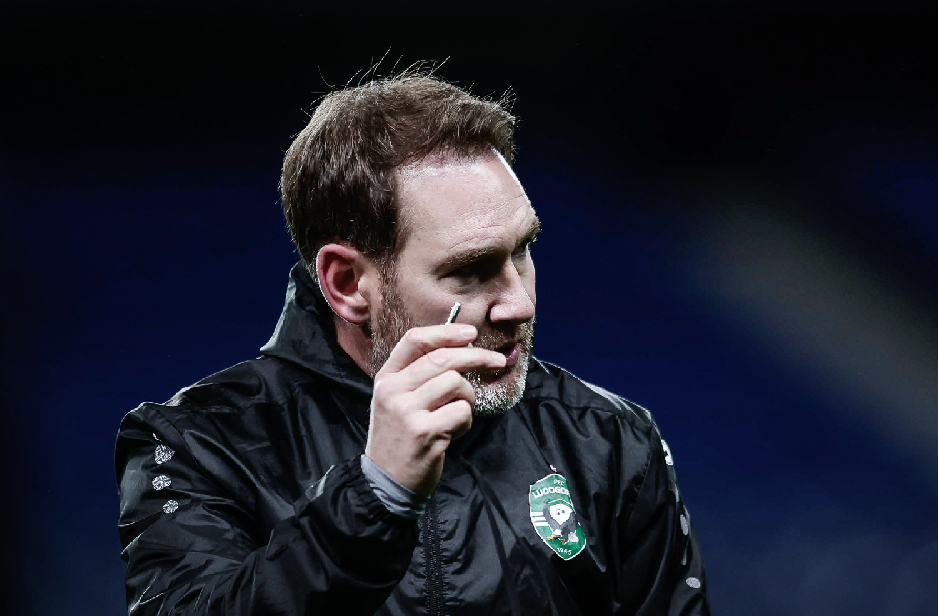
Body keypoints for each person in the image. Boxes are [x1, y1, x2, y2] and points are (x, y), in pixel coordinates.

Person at [114, 72, 709, 616]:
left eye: (523, 250)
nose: (519, 303)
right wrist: (377, 494)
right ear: (349, 284)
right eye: (470, 269)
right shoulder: (196, 444)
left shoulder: (610, 439)